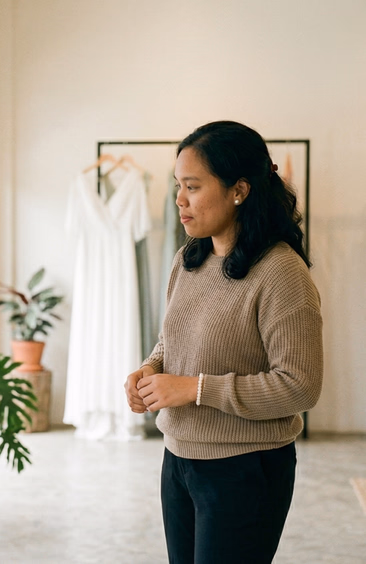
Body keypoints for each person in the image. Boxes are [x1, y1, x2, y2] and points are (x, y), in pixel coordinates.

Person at [125, 121, 323, 564]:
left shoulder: (281, 272)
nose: (179, 199)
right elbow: (169, 342)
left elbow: (300, 386)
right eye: (178, 185)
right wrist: (150, 370)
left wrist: (194, 388)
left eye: (192, 186)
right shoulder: (188, 259)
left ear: (239, 190)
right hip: (178, 460)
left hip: (245, 469)